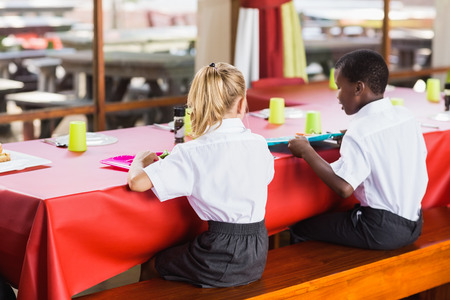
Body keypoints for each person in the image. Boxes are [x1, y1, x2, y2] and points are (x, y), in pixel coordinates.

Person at [127, 62, 275, 287]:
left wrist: (140, 160)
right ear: (242, 103)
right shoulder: (258, 143)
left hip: (223, 255)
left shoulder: (192, 152)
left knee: (151, 264)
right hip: (258, 250)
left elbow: (137, 183)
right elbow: (266, 177)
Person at [288, 49, 428, 250]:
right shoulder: (405, 115)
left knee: (301, 228)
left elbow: (344, 188)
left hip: (381, 230)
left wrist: (306, 151)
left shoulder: (360, 130)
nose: (337, 96)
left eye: (339, 87)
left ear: (358, 88)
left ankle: (325, 276)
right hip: (415, 223)